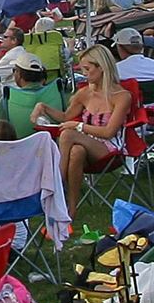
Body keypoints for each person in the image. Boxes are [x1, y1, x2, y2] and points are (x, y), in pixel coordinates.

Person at [52, 45, 135, 206]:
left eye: (87, 69)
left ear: (102, 67)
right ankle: (71, 208)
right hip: (86, 145)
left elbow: (108, 132)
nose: (84, 73)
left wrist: (79, 126)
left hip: (110, 148)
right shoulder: (84, 93)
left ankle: (57, 184)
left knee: (68, 134)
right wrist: (42, 108)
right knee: (77, 151)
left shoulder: (122, 96)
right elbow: (65, 117)